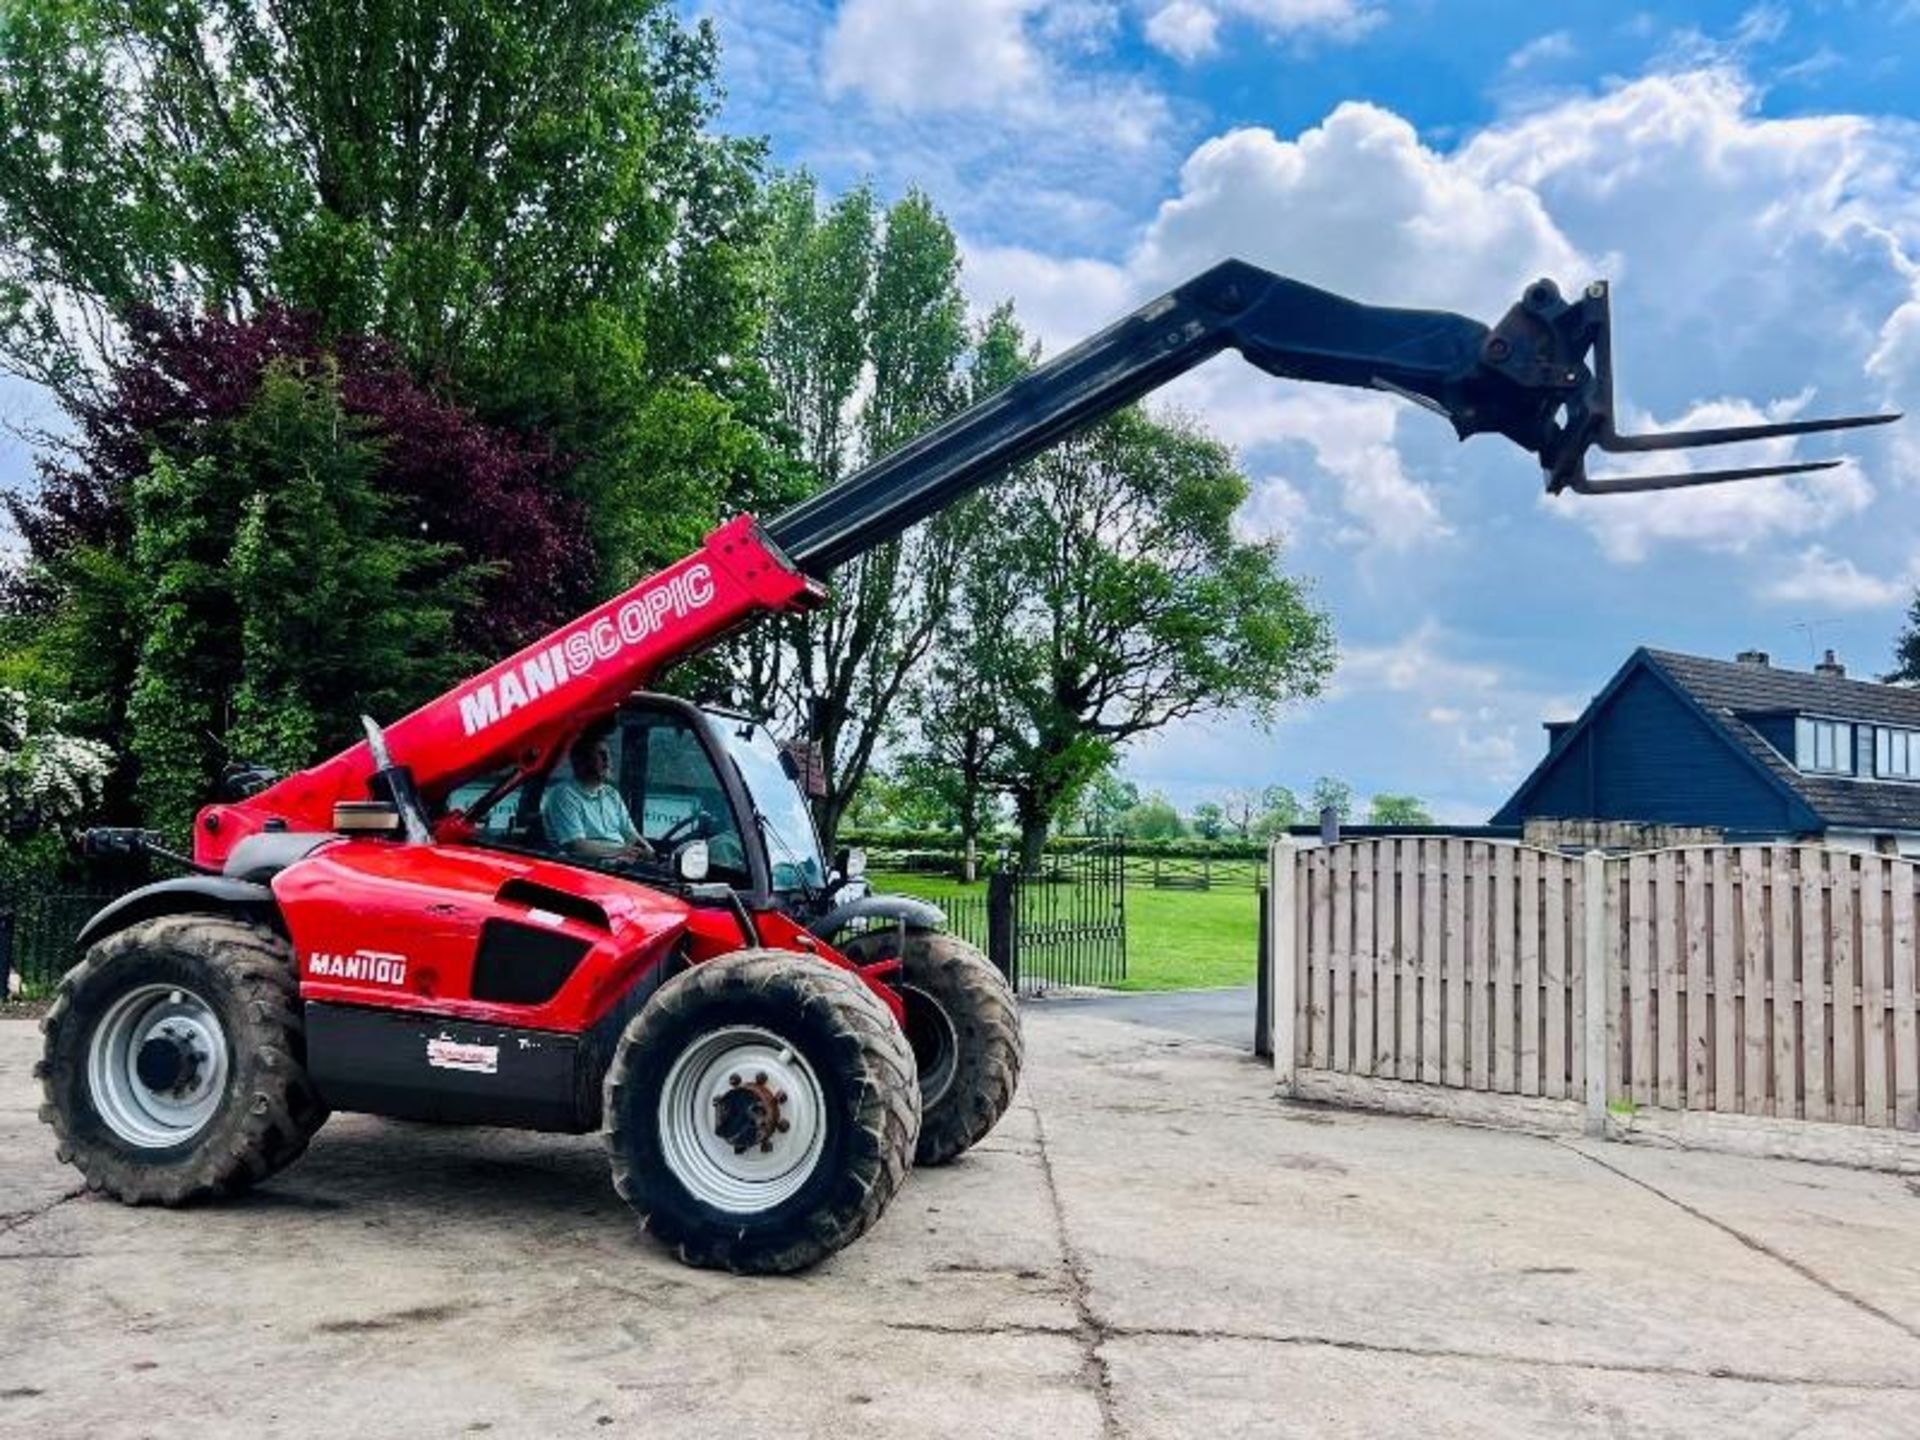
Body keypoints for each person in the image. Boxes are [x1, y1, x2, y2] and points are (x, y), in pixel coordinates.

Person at [542, 729, 652, 863]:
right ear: (582, 761)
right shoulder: (564, 795)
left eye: (608, 754)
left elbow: (630, 833)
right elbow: (576, 846)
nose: (607, 760)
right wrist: (622, 850)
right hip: (590, 868)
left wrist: (650, 853)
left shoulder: (611, 794)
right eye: (601, 754)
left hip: (622, 862)